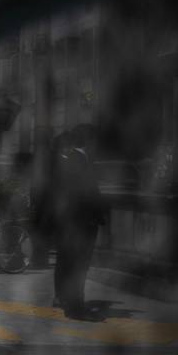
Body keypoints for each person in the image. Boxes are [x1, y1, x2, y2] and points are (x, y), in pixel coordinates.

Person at [53, 124, 106, 321]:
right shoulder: (79, 161)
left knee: (71, 264)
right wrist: (97, 215)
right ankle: (75, 307)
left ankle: (72, 303)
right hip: (81, 224)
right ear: (89, 141)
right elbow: (86, 194)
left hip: (71, 222)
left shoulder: (72, 160)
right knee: (79, 266)